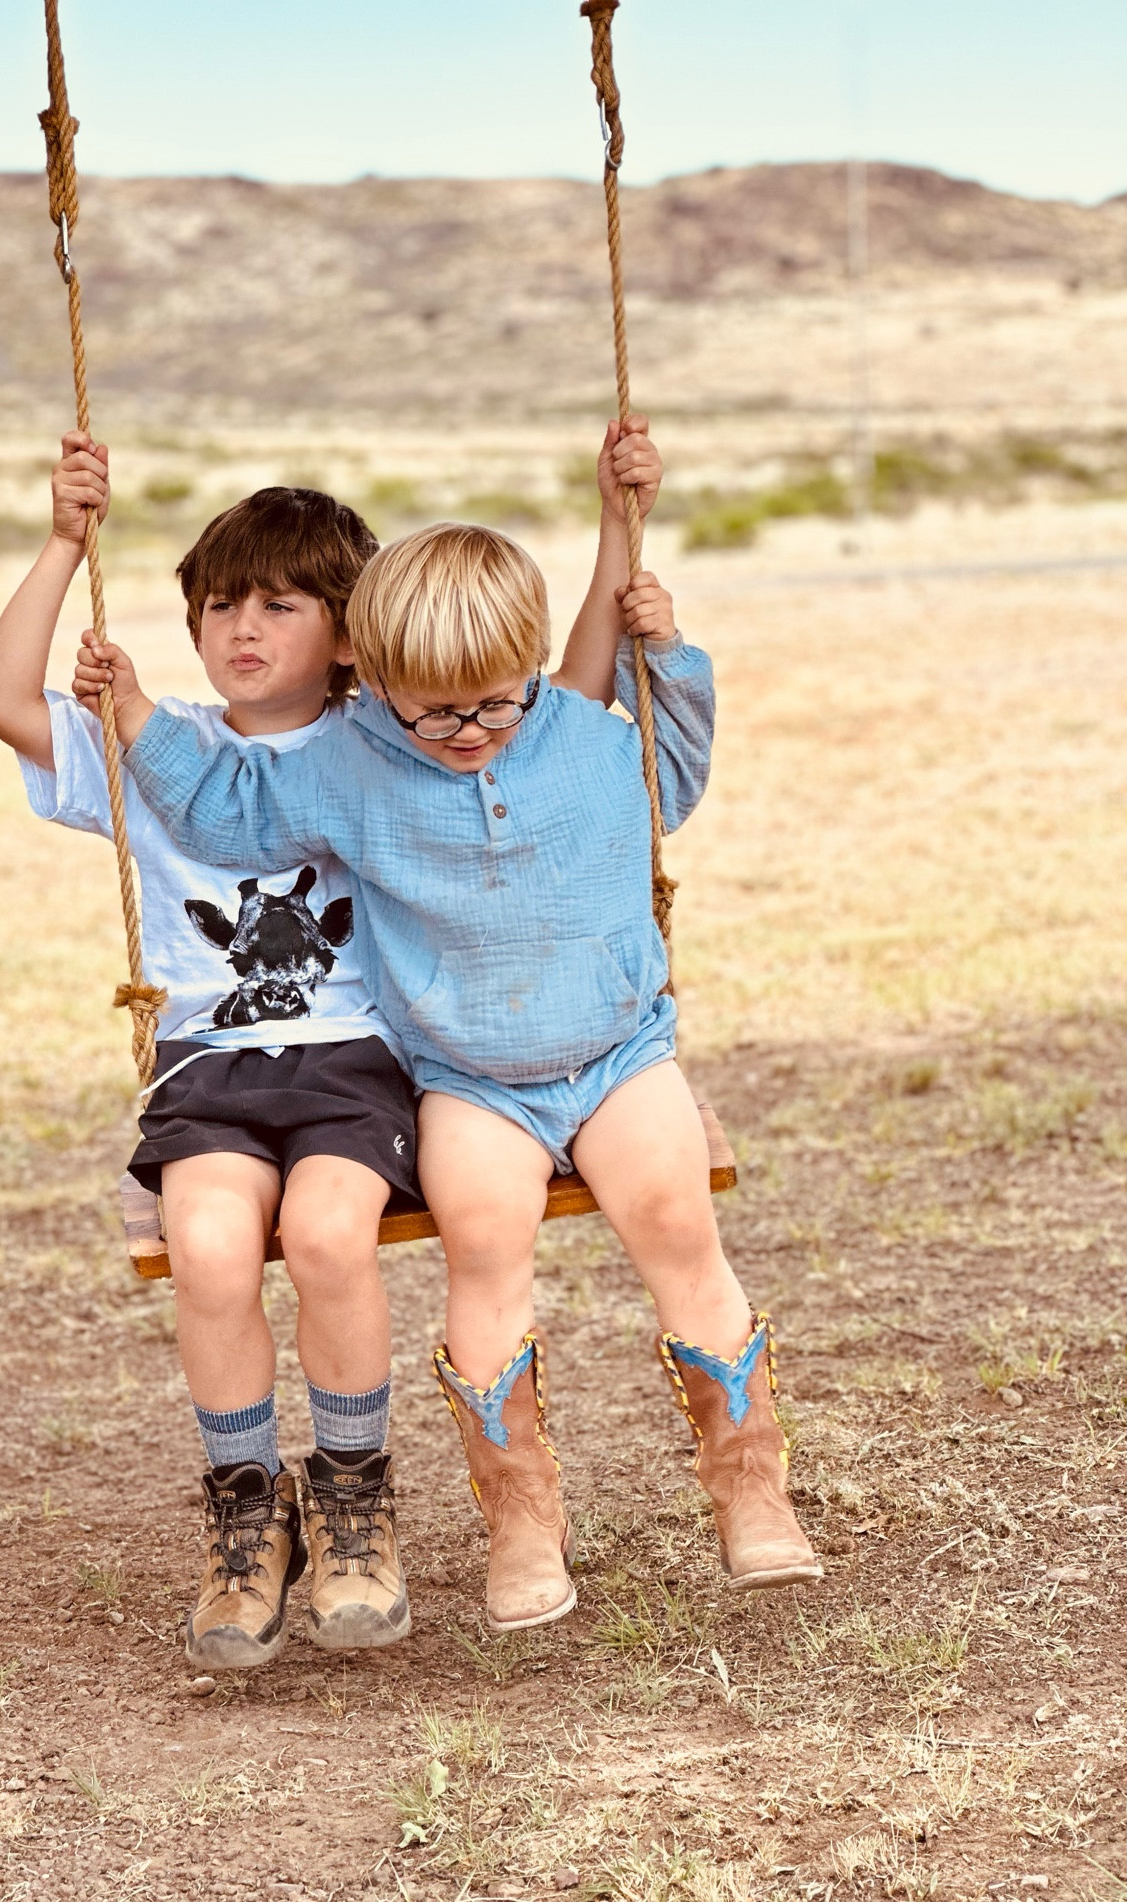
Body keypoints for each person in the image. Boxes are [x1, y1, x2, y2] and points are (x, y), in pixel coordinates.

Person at [74, 416, 823, 1633]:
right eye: (431, 714)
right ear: (373, 680)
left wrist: (664, 643)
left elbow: (672, 778)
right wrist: (138, 709)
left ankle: (750, 1490)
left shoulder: (581, 736)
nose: (466, 734)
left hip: (618, 1054)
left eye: (493, 705)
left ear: (530, 666)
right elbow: (225, 812)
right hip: (471, 1080)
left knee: (678, 1221)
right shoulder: (355, 763)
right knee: (482, 1251)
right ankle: (523, 1522)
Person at [0, 435, 418, 1668]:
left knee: (329, 1236)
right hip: (208, 1071)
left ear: (346, 628)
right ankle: (243, 1512)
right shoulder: (146, 740)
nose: (243, 626)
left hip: (353, 1062)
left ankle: (353, 1497)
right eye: (222, 603)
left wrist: (619, 547)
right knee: (211, 1248)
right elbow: (1, 701)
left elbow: (533, 705)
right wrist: (67, 544)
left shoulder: (387, 739)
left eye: (282, 603)